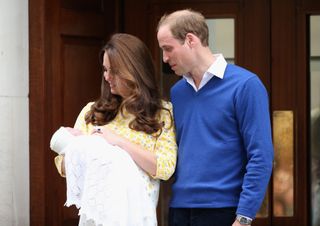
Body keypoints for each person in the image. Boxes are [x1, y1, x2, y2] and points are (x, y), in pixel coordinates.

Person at [156, 9, 274, 226]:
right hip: (179, 210)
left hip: (224, 212)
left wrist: (244, 218)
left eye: (168, 48)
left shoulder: (246, 85)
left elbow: (261, 156)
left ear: (190, 40)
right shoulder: (178, 92)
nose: (164, 58)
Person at [53, 33, 177, 226]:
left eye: (114, 71)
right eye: (105, 69)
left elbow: (165, 167)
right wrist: (87, 148)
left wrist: (117, 142)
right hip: (97, 218)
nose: (107, 77)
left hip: (137, 217)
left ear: (135, 71)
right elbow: (63, 164)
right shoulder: (91, 111)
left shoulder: (162, 112)